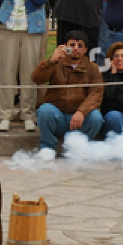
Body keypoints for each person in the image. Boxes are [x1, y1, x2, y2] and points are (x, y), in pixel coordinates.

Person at [0, 0, 50, 132]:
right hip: (8, 27)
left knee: (29, 74)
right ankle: (5, 114)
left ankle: (27, 114)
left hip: (31, 29)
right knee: (7, 73)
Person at [32, 30, 105, 158]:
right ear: (65, 46)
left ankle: (79, 147)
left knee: (96, 117)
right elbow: (36, 78)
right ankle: (48, 147)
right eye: (72, 45)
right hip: (58, 117)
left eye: (80, 46)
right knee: (44, 110)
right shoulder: (55, 63)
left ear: (85, 50)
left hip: (80, 120)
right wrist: (51, 61)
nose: (76, 48)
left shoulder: (93, 68)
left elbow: (96, 94)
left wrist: (82, 111)